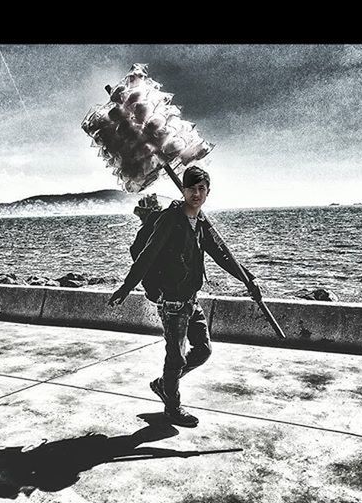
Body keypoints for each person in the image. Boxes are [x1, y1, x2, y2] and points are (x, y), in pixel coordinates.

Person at [108, 165, 262, 428]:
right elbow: (147, 255)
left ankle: (164, 385)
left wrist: (248, 280)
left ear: (207, 192)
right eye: (191, 188)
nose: (196, 194)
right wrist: (126, 287)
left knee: (202, 350)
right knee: (176, 357)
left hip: (192, 300)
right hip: (172, 302)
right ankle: (172, 406)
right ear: (183, 189)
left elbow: (222, 254)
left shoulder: (201, 223)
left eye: (201, 189)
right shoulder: (171, 220)